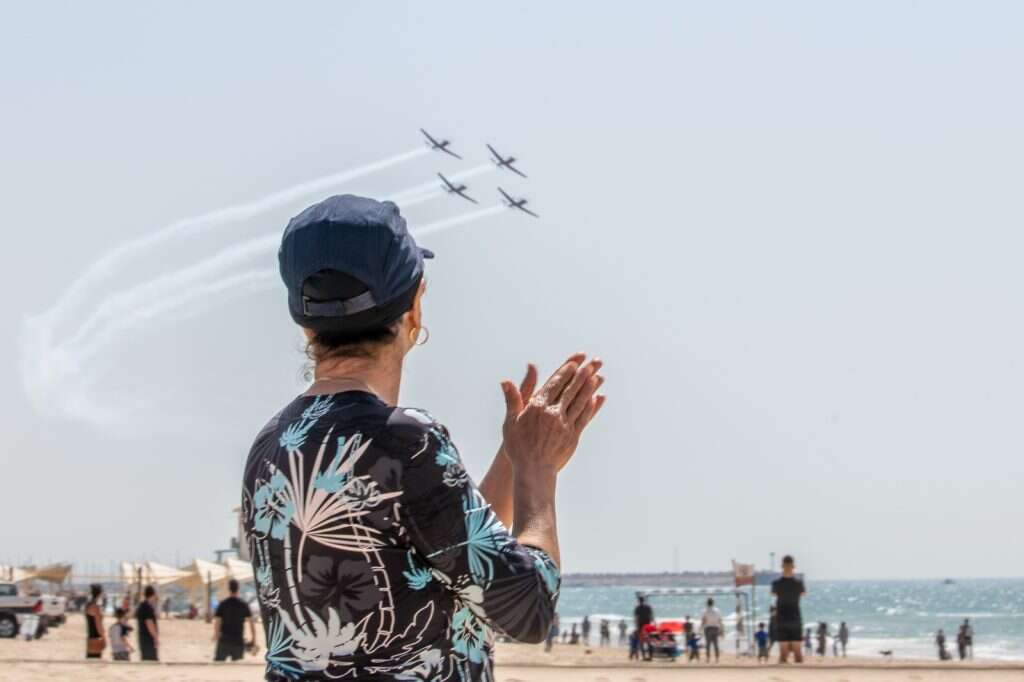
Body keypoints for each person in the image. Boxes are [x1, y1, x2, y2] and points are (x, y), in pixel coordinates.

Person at [242, 195, 606, 680]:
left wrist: (515, 456)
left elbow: (447, 546)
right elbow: (527, 609)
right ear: (414, 308)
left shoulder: (272, 445)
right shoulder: (404, 441)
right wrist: (537, 472)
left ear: (305, 323)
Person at [772, 555, 807, 664]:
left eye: (788, 565)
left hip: (792, 619)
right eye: (786, 566)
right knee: (784, 653)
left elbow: (773, 594)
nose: (787, 568)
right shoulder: (778, 583)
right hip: (785, 619)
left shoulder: (797, 583)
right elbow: (803, 594)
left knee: (797, 653)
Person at [213, 579, 255, 662]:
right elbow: (251, 623)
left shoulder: (223, 604)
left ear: (229, 589)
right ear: (238, 589)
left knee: (218, 664)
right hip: (238, 640)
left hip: (224, 639)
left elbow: (217, 621)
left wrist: (216, 635)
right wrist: (253, 639)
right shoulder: (243, 605)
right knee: (237, 666)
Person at [135, 585, 159, 661]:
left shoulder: (142, 606)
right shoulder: (147, 607)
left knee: (145, 660)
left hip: (143, 639)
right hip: (148, 640)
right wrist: (156, 638)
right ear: (153, 594)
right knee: (151, 661)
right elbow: (149, 624)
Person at [84, 583, 105, 659]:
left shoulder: (88, 605)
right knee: (95, 659)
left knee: (91, 659)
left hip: (90, 636)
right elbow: (98, 624)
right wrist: (104, 637)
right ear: (100, 594)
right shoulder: (95, 607)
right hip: (96, 637)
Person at [700, 597, 723, 662]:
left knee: (708, 644)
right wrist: (722, 629)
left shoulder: (704, 610)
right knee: (716, 644)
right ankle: (717, 658)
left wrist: (700, 628)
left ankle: (708, 658)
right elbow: (720, 620)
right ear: (713, 603)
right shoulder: (717, 610)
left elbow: (703, 621)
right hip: (716, 628)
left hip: (708, 628)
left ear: (707, 603)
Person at [635, 596, 654, 660]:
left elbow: (637, 618)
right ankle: (650, 656)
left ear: (639, 601)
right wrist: (653, 625)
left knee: (642, 642)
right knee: (649, 642)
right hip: (648, 626)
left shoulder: (637, 608)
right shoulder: (648, 607)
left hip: (641, 627)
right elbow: (651, 617)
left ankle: (644, 656)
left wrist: (637, 627)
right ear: (644, 600)